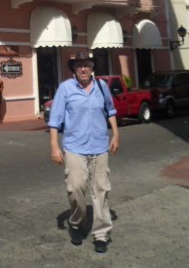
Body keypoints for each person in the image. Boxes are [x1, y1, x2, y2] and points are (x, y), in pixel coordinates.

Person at [48, 52, 120, 254]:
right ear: (74, 69)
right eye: (79, 65)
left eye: (87, 65)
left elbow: (110, 111)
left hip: (99, 146)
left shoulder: (101, 86)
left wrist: (115, 134)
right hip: (74, 147)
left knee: (101, 190)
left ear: (92, 67)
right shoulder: (65, 89)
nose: (83, 68)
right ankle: (77, 222)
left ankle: (101, 234)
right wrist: (54, 146)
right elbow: (55, 120)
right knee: (75, 188)